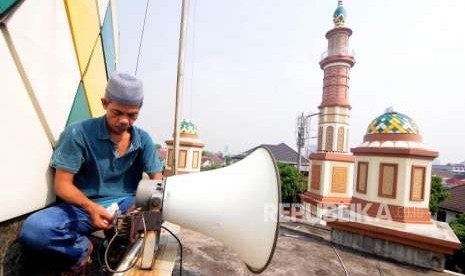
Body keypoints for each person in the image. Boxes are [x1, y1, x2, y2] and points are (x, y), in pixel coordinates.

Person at [19, 72, 163, 274]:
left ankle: (115, 248)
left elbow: (158, 182)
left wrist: (143, 211)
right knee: (35, 231)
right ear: (104, 103)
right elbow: (62, 185)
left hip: (126, 206)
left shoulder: (143, 140)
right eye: (117, 112)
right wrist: (90, 207)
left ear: (139, 110)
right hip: (81, 206)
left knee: (149, 223)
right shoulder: (78, 133)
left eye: (132, 115)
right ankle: (82, 250)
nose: (124, 120)